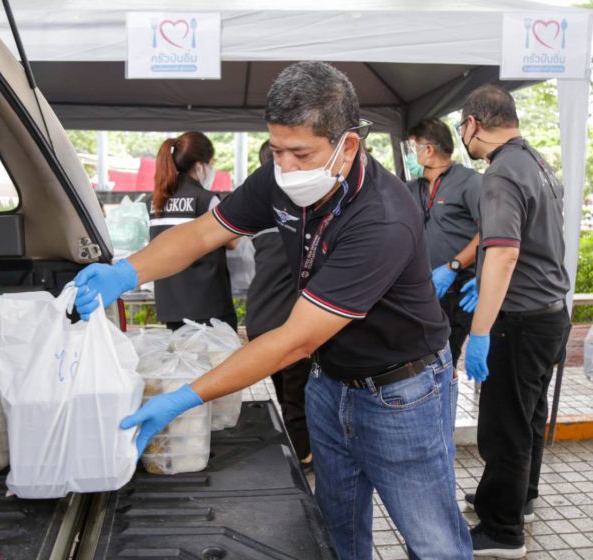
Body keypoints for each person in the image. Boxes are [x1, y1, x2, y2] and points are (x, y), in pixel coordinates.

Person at [74, 62, 471, 559]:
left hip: (402, 393)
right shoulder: (281, 179)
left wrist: (183, 398)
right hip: (330, 380)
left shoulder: (382, 218)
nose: (286, 167)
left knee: (432, 540)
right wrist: (125, 273)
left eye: (300, 153)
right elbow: (203, 233)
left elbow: (293, 340)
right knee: (336, 527)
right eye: (277, 150)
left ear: (348, 146)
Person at [456, 85, 571, 558]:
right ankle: (517, 499)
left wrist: (479, 331)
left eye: (461, 126)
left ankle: (502, 532)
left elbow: (504, 253)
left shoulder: (501, 172)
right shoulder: (536, 162)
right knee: (528, 417)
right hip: (551, 314)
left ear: (473, 123)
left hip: (519, 320)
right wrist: (478, 274)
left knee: (504, 425)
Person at [247, 140, 311, 466]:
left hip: (261, 318)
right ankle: (304, 456)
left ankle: (299, 451)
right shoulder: (300, 212)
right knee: (298, 399)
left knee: (289, 397)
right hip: (288, 324)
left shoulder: (257, 215)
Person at [405, 118, 482, 366]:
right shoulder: (412, 188)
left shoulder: (470, 182)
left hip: (456, 290)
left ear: (428, 149)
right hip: (422, 293)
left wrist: (452, 266)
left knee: (444, 362)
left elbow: (489, 232)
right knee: (420, 362)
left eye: (412, 147)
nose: (410, 155)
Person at [148, 132, 237, 331]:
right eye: (211, 163)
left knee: (180, 351)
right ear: (199, 165)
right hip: (208, 305)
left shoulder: (155, 202)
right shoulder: (206, 199)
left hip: (171, 304)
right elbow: (232, 241)